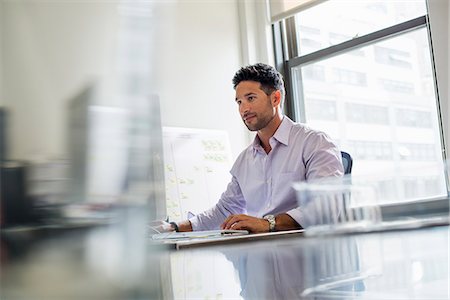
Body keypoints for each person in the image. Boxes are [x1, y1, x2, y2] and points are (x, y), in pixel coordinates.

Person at [167, 63, 343, 234]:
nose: (244, 109)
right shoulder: (244, 160)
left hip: (306, 253)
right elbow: (224, 210)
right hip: (259, 254)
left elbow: (327, 205)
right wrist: (173, 228)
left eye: (250, 98)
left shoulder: (314, 142)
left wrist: (268, 224)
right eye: (239, 102)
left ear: (275, 98)